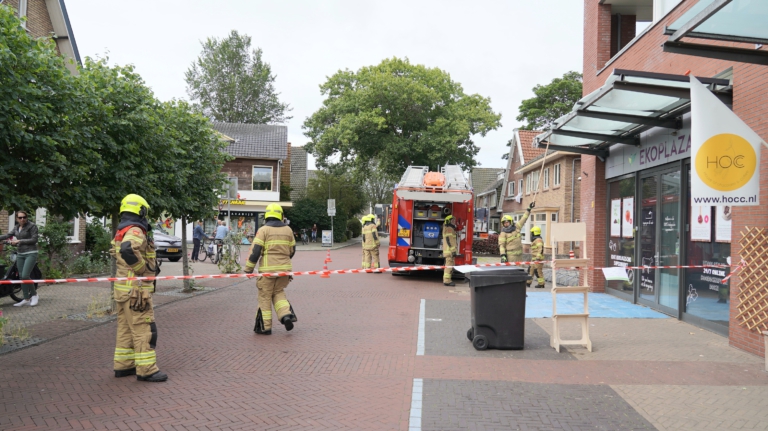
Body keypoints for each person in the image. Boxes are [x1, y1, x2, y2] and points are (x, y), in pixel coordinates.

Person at [110, 194, 167, 382]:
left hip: (122, 290)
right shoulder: (135, 231)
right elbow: (128, 249)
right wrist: (142, 269)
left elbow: (121, 251)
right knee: (144, 329)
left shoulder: (122, 230)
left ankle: (124, 365)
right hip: (136, 291)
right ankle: (147, 369)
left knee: (125, 329)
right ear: (142, 211)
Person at [244, 204, 297, 335]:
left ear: (267, 215)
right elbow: (292, 250)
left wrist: (249, 269)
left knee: (265, 297)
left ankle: (264, 327)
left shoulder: (263, 230)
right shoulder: (288, 230)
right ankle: (286, 316)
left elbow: (256, 251)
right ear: (281, 215)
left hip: (267, 271)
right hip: (284, 270)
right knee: (278, 292)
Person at [0, 211, 40, 307]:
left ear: (26, 217)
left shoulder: (32, 226)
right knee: (21, 276)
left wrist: (19, 241)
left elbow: (34, 239)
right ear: (17, 218)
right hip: (20, 253)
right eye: (20, 217)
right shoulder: (16, 227)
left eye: (24, 217)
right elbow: (7, 235)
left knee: (26, 275)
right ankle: (26, 298)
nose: (22, 219)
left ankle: (34, 295)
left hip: (31, 253)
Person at [442, 215, 458, 287]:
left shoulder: (448, 228)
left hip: (448, 251)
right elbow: (450, 240)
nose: (454, 222)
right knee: (449, 265)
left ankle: (448, 279)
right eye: (452, 221)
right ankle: (447, 281)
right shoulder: (449, 229)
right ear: (449, 221)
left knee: (449, 265)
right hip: (449, 251)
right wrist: (453, 250)